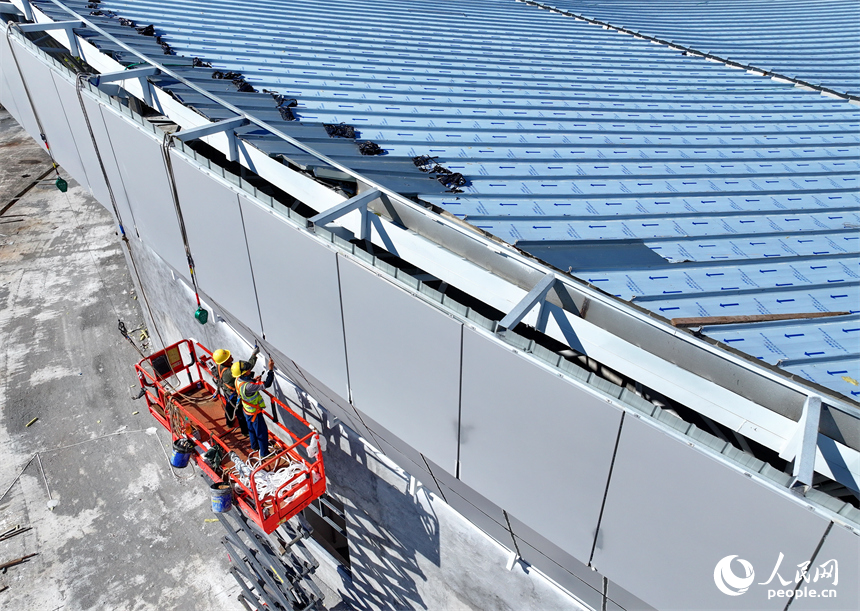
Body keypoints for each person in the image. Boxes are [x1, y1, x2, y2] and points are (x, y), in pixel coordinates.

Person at [211, 346, 259, 437]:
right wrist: (254, 354)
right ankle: (245, 432)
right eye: (228, 356)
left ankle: (229, 422)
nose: (231, 356)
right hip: (234, 395)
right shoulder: (229, 372)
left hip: (227, 392)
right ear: (225, 361)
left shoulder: (219, 366)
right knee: (240, 414)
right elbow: (247, 367)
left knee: (229, 408)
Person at [233, 357, 275, 458]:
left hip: (246, 410)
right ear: (243, 373)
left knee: (251, 429)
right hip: (255, 413)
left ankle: (255, 446)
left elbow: (247, 385)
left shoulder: (238, 380)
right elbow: (267, 384)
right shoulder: (249, 386)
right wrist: (271, 369)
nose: (249, 370)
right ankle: (264, 453)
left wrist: (253, 380)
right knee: (261, 432)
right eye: (247, 370)